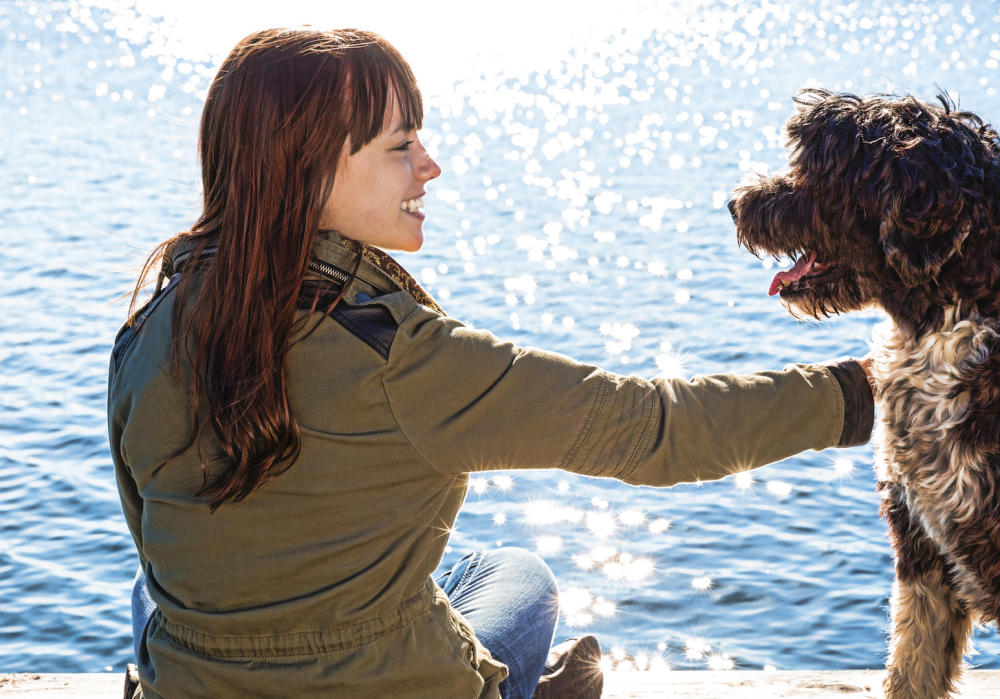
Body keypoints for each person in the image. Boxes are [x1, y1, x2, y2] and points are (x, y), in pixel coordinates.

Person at [108, 27, 875, 699]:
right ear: (310, 171)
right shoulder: (403, 357)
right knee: (519, 576)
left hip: (194, 684)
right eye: (401, 145)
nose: (430, 166)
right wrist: (858, 391)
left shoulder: (147, 330)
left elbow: (152, 533)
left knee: (161, 589)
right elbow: (653, 427)